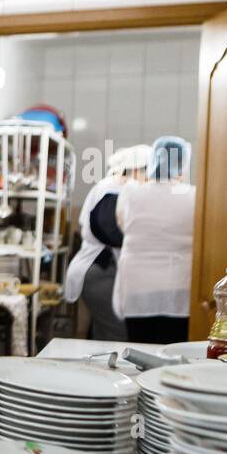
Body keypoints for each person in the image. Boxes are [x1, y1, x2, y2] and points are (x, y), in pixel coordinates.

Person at [112, 135, 195, 344]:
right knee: (173, 348)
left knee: (140, 347)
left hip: (138, 283)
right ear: (182, 164)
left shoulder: (130, 192)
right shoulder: (192, 195)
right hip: (177, 283)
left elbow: (122, 225)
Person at [64, 144, 151, 341]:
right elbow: (110, 232)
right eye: (148, 174)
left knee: (103, 333)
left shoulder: (115, 189)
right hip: (100, 271)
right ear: (135, 170)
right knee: (117, 334)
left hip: (101, 270)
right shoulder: (112, 190)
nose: (149, 181)